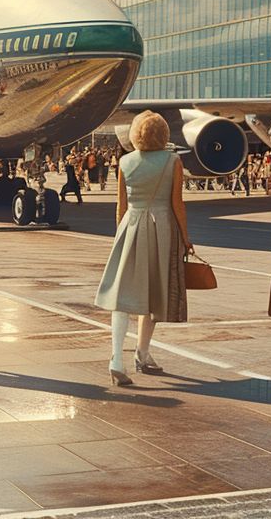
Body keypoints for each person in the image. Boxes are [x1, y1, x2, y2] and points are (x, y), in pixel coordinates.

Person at [95, 111, 191, 386]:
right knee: (153, 293)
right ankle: (142, 351)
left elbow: (120, 204)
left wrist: (119, 234)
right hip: (161, 225)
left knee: (122, 294)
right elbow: (177, 204)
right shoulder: (172, 161)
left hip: (131, 225)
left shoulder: (125, 161)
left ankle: (116, 357)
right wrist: (185, 236)